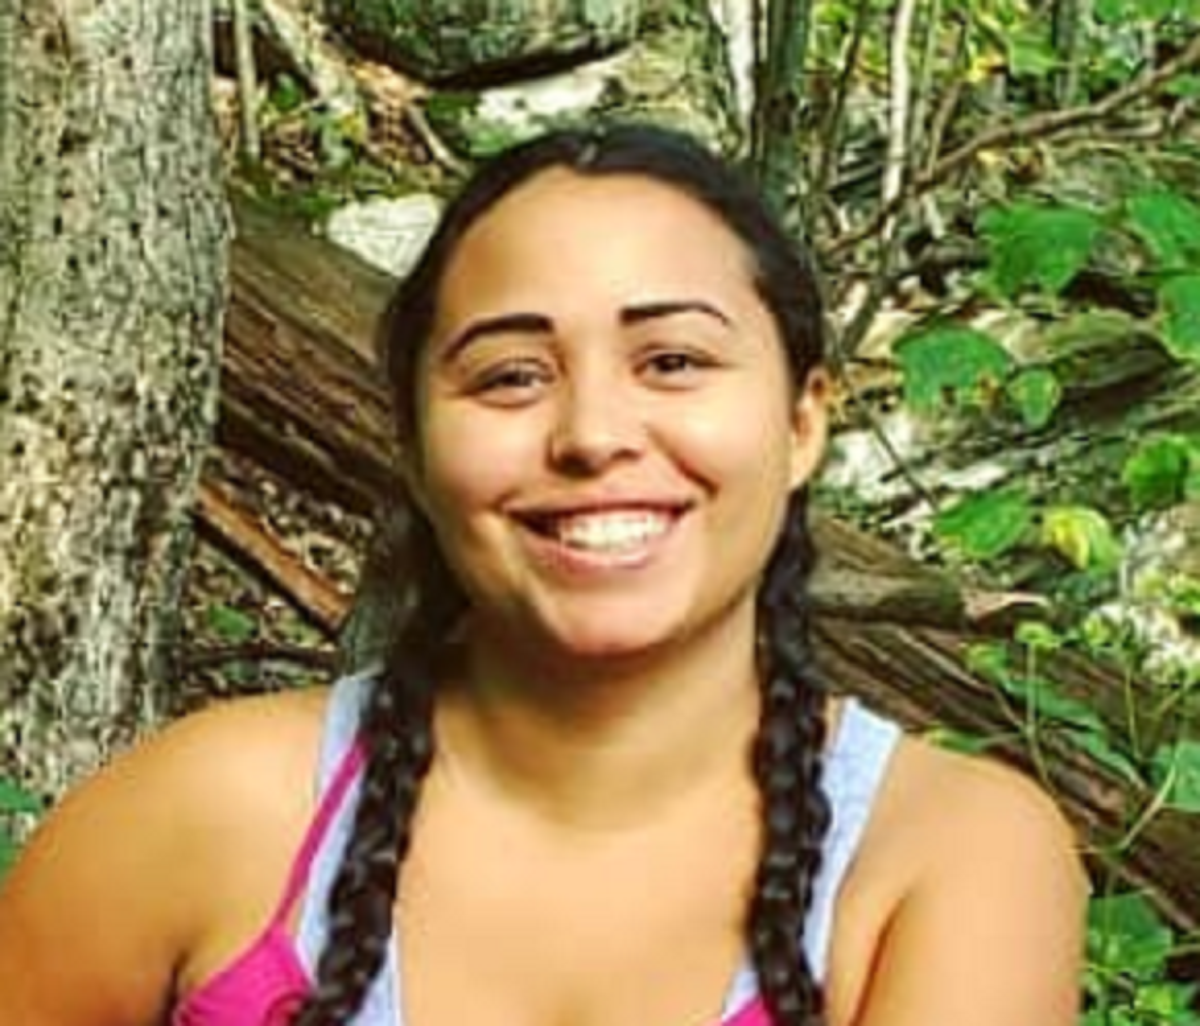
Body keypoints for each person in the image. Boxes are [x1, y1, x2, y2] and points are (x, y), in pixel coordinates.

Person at [0, 122, 1087, 1026]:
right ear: (414, 448)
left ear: (804, 422)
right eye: (511, 377)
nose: (593, 434)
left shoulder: (944, 859)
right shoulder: (204, 812)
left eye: (673, 361)